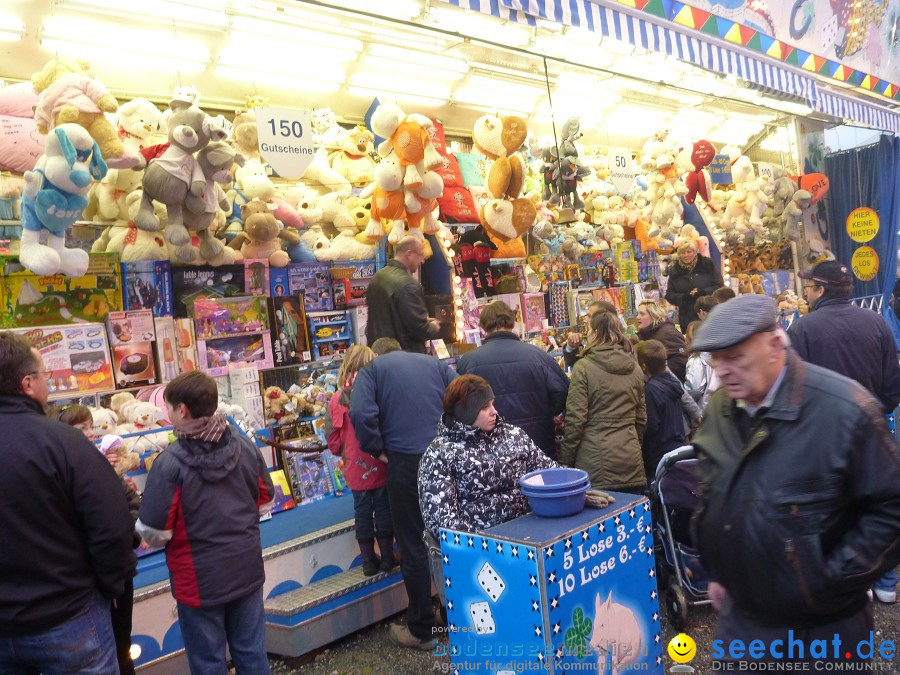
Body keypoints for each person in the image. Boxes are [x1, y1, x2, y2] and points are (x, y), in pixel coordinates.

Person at [691, 295, 900, 667]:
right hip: (741, 623)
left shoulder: (845, 410)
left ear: (774, 346)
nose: (722, 371)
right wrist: (721, 569)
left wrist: (827, 582)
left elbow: (892, 508)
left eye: (735, 356)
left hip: (822, 632)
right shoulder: (722, 409)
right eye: (715, 359)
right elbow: (715, 491)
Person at [0, 333, 134, 674]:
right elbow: (112, 524)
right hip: (70, 616)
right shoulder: (63, 442)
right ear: (27, 383)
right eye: (46, 376)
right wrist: (108, 587)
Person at [137, 371, 275, 674]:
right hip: (246, 568)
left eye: (168, 407)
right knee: (252, 652)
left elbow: (154, 532)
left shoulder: (169, 464)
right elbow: (266, 499)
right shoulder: (244, 446)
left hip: (198, 582)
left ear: (182, 410)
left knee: (207, 660)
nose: (165, 413)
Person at [789, 259, 900, 603]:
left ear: (820, 290)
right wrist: (875, 414)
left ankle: (858, 582)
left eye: (808, 288)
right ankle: (886, 581)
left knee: (837, 509)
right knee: (879, 504)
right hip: (874, 430)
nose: (806, 293)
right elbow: (893, 384)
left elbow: (793, 392)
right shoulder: (877, 322)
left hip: (825, 438)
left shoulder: (802, 330)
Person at [350, 337, 457, 650]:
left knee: (413, 545)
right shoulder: (435, 363)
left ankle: (421, 628)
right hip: (444, 457)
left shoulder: (371, 370)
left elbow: (360, 415)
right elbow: (463, 398)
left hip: (405, 463)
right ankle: (456, 619)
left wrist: (378, 450)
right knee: (451, 538)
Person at [50, 402, 142, 675]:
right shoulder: (65, 473)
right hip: (90, 582)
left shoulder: (99, 465)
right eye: (82, 429)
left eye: (91, 427)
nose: (90, 434)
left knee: (122, 646)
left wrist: (129, 535)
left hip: (118, 574)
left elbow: (133, 506)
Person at [456, 301, 569, 457]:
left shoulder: (468, 362)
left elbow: (459, 405)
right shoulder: (539, 356)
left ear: (483, 326)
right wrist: (543, 411)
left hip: (490, 448)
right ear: (512, 322)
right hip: (537, 443)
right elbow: (563, 391)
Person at [326, 345, 395, 576]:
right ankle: (387, 558)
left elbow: (333, 440)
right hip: (381, 464)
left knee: (362, 513)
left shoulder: (336, 400)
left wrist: (344, 452)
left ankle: (367, 562)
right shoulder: (376, 392)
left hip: (355, 469)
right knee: (385, 510)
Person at [559, 311, 647, 493]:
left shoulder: (583, 367)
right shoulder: (635, 368)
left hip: (595, 461)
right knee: (631, 518)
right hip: (630, 458)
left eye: (589, 329)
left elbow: (576, 420)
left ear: (596, 333)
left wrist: (566, 461)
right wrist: (632, 444)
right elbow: (641, 419)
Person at [365, 236, 441, 353]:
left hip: (378, 353)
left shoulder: (377, 277)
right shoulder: (408, 285)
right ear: (409, 254)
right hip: (404, 355)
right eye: (421, 255)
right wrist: (433, 327)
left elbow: (385, 317)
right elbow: (419, 329)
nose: (423, 261)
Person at [635, 340, 686, 483]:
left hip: (658, 455)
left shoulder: (651, 390)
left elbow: (650, 426)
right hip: (675, 447)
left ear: (643, 367)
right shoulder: (672, 383)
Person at [665, 240, 724, 332]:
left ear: (696, 252)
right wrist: (685, 296)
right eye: (682, 252)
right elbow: (669, 295)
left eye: (689, 252)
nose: (686, 255)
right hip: (686, 317)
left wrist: (703, 292)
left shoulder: (707, 265)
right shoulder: (674, 271)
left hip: (708, 312)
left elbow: (719, 285)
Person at [636, 299, 688, 382]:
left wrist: (657, 375)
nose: (637, 317)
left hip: (667, 385)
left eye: (642, 314)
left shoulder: (668, 333)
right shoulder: (646, 333)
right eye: (637, 314)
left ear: (654, 316)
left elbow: (680, 361)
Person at [563, 300, 618, 369]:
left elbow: (583, 369)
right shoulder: (621, 348)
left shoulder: (607, 352)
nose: (585, 320)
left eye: (589, 316)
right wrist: (571, 347)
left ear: (603, 319)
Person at [684, 320, 719, 410]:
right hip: (716, 406)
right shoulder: (715, 355)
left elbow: (694, 389)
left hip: (701, 409)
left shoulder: (696, 360)